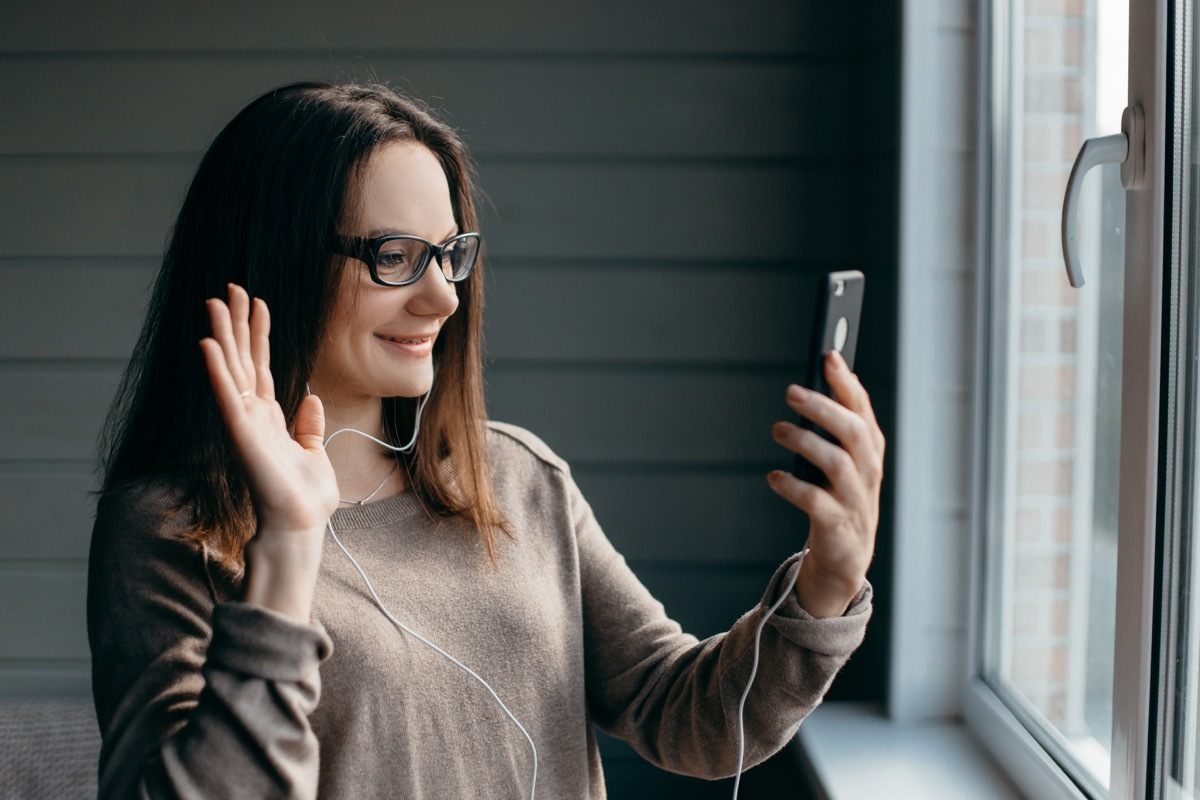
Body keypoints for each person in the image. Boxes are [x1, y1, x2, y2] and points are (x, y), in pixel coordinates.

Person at [88, 81, 885, 800]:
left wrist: (827, 581)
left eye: (449, 254)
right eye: (393, 257)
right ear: (274, 262)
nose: (442, 297)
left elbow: (687, 714)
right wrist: (290, 545)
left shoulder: (516, 474)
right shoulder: (166, 529)